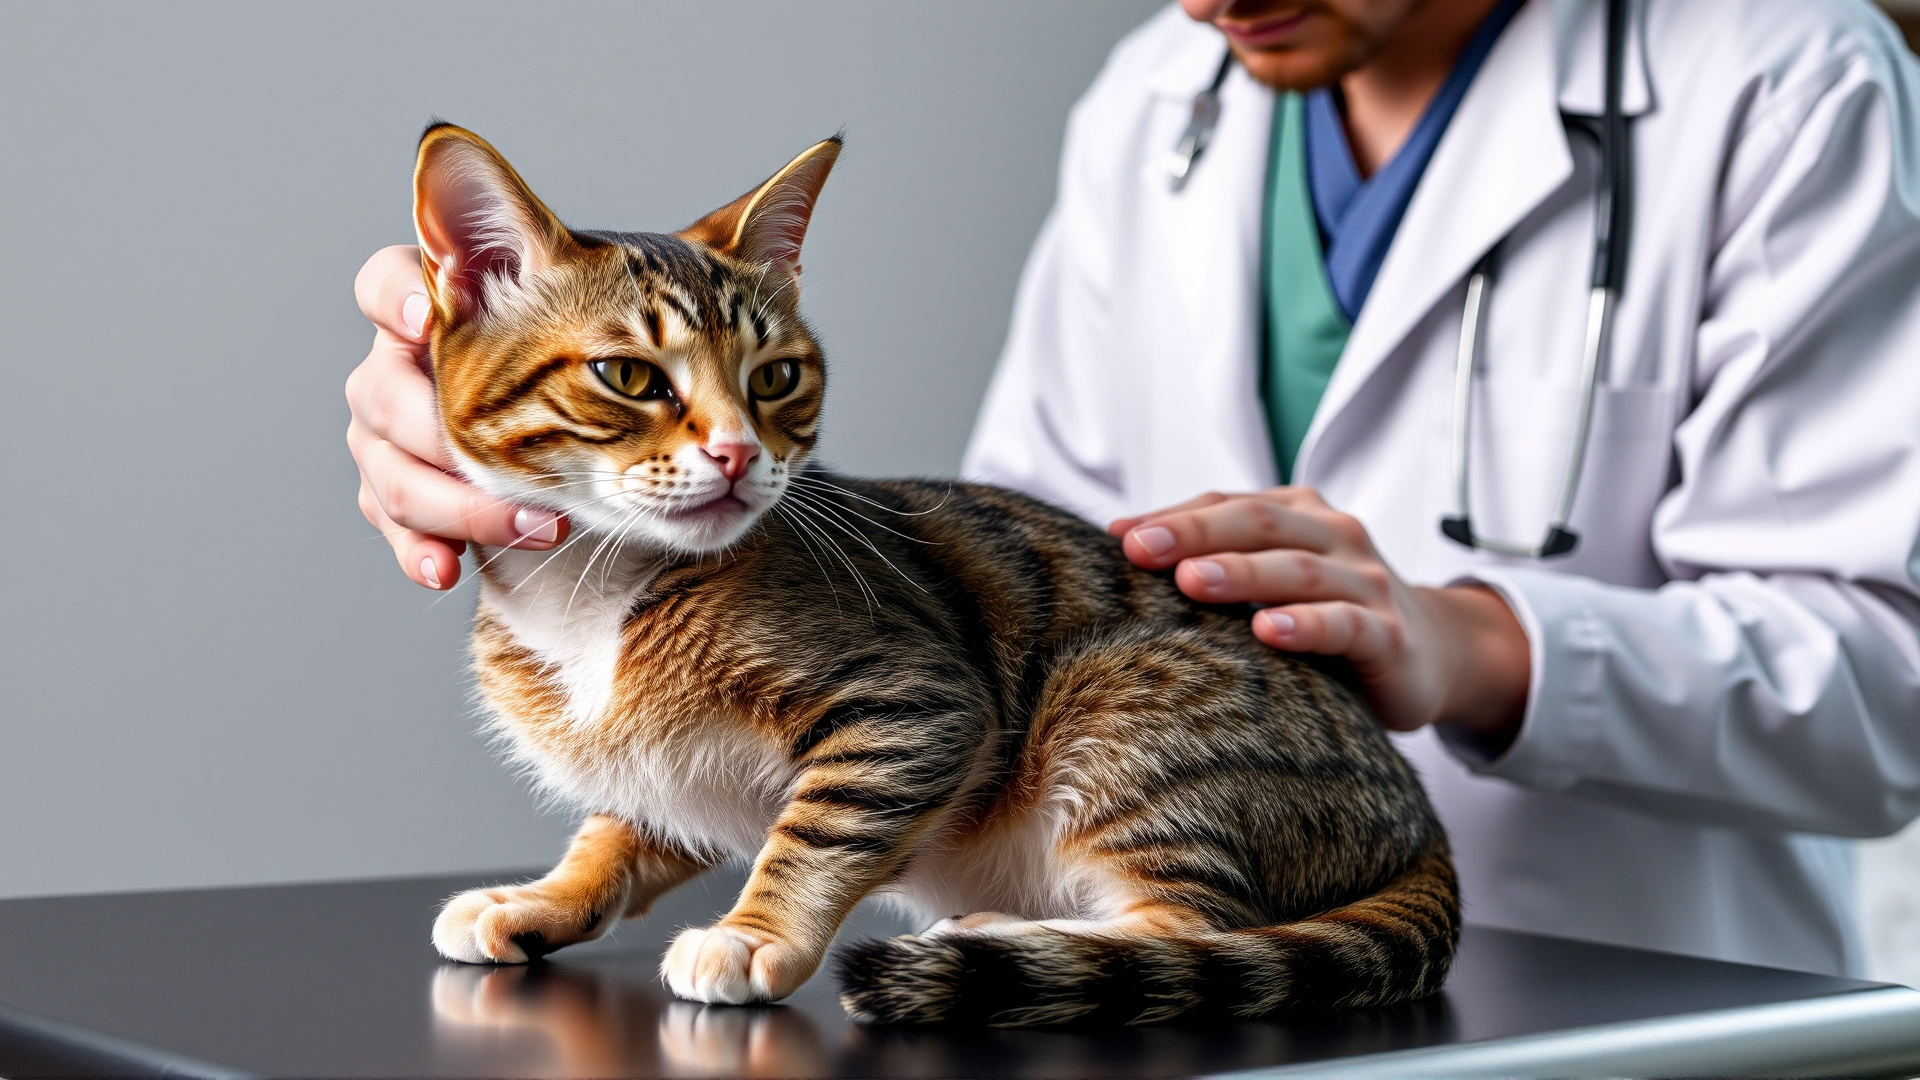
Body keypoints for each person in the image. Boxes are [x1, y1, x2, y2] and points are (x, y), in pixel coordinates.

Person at [347, 0, 1920, 977]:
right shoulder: (1157, 100)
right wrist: (520, 448)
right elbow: (973, 625)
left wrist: (1477, 647)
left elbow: (1891, 692)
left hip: (1636, 982)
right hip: (1102, 987)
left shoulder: (1783, 68)